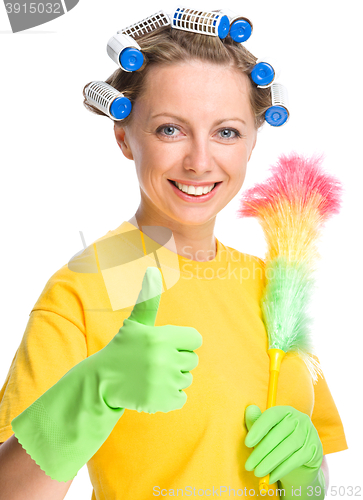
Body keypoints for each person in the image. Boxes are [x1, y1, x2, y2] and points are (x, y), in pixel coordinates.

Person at [0, 10, 347, 500]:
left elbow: (315, 484)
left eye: (226, 132)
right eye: (170, 130)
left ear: (251, 142)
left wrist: (308, 474)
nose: (200, 161)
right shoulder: (88, 286)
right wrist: (91, 395)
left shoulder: (274, 287)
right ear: (124, 136)